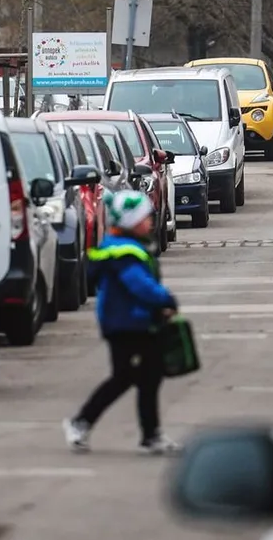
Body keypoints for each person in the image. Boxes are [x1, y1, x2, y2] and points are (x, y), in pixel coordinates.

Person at [62, 190, 181, 455]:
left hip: (133, 322)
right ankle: (81, 422)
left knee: (147, 376)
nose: (150, 222)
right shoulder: (125, 253)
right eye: (145, 218)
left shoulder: (122, 247)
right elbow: (139, 286)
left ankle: (150, 434)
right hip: (126, 324)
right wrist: (165, 300)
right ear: (130, 221)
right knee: (126, 377)